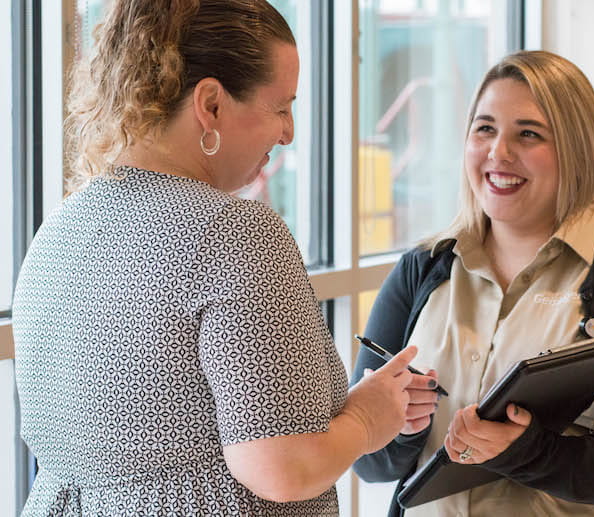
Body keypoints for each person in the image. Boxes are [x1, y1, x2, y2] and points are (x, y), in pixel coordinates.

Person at [12, 1, 417, 515]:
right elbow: (281, 465)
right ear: (211, 104)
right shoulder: (233, 231)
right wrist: (366, 420)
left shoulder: (61, 230)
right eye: (281, 107)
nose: (288, 132)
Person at [351, 50, 594, 517]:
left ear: (576, 148)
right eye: (485, 129)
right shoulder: (422, 269)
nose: (499, 153)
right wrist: (401, 429)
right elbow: (365, 458)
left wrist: (527, 451)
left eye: (529, 134)